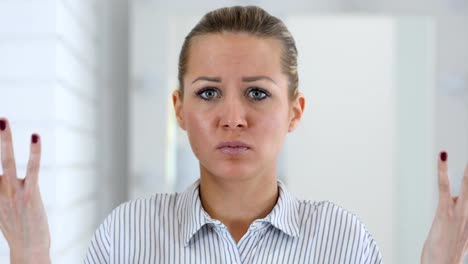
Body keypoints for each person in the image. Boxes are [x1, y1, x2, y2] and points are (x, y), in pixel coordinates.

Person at [0, 5, 467, 264]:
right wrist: (30, 254)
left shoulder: (343, 240)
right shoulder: (126, 235)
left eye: (258, 95)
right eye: (208, 94)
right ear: (179, 110)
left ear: (295, 112)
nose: (233, 117)